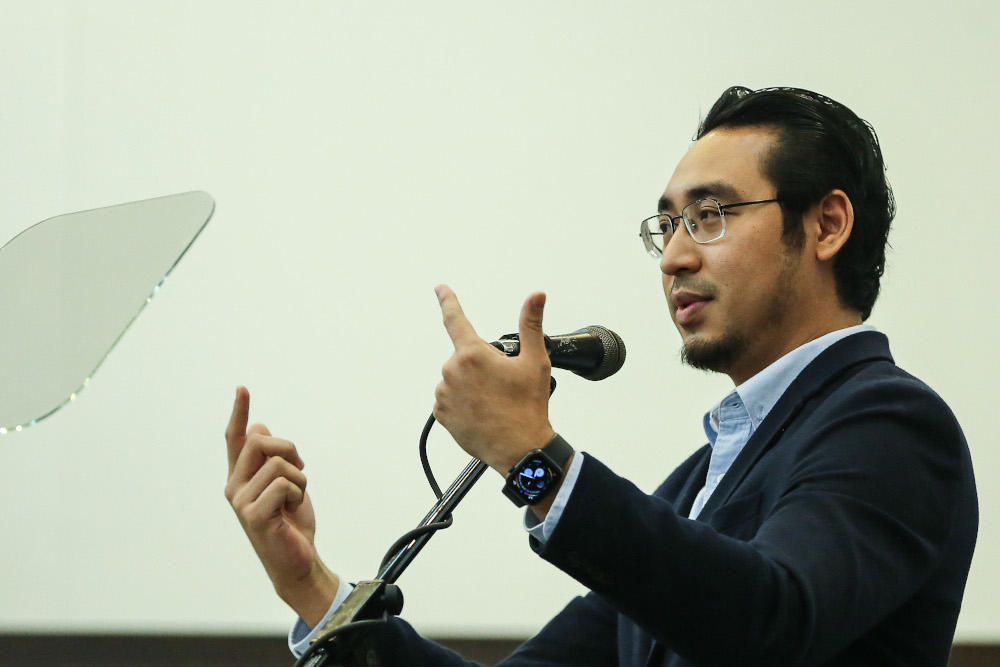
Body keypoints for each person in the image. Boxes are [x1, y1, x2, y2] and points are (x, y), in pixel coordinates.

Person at [224, 86, 978, 666]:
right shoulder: (696, 484)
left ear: (826, 224)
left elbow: (769, 620)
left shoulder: (892, 426)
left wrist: (531, 456)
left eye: (711, 215)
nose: (676, 256)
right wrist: (313, 588)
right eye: (667, 225)